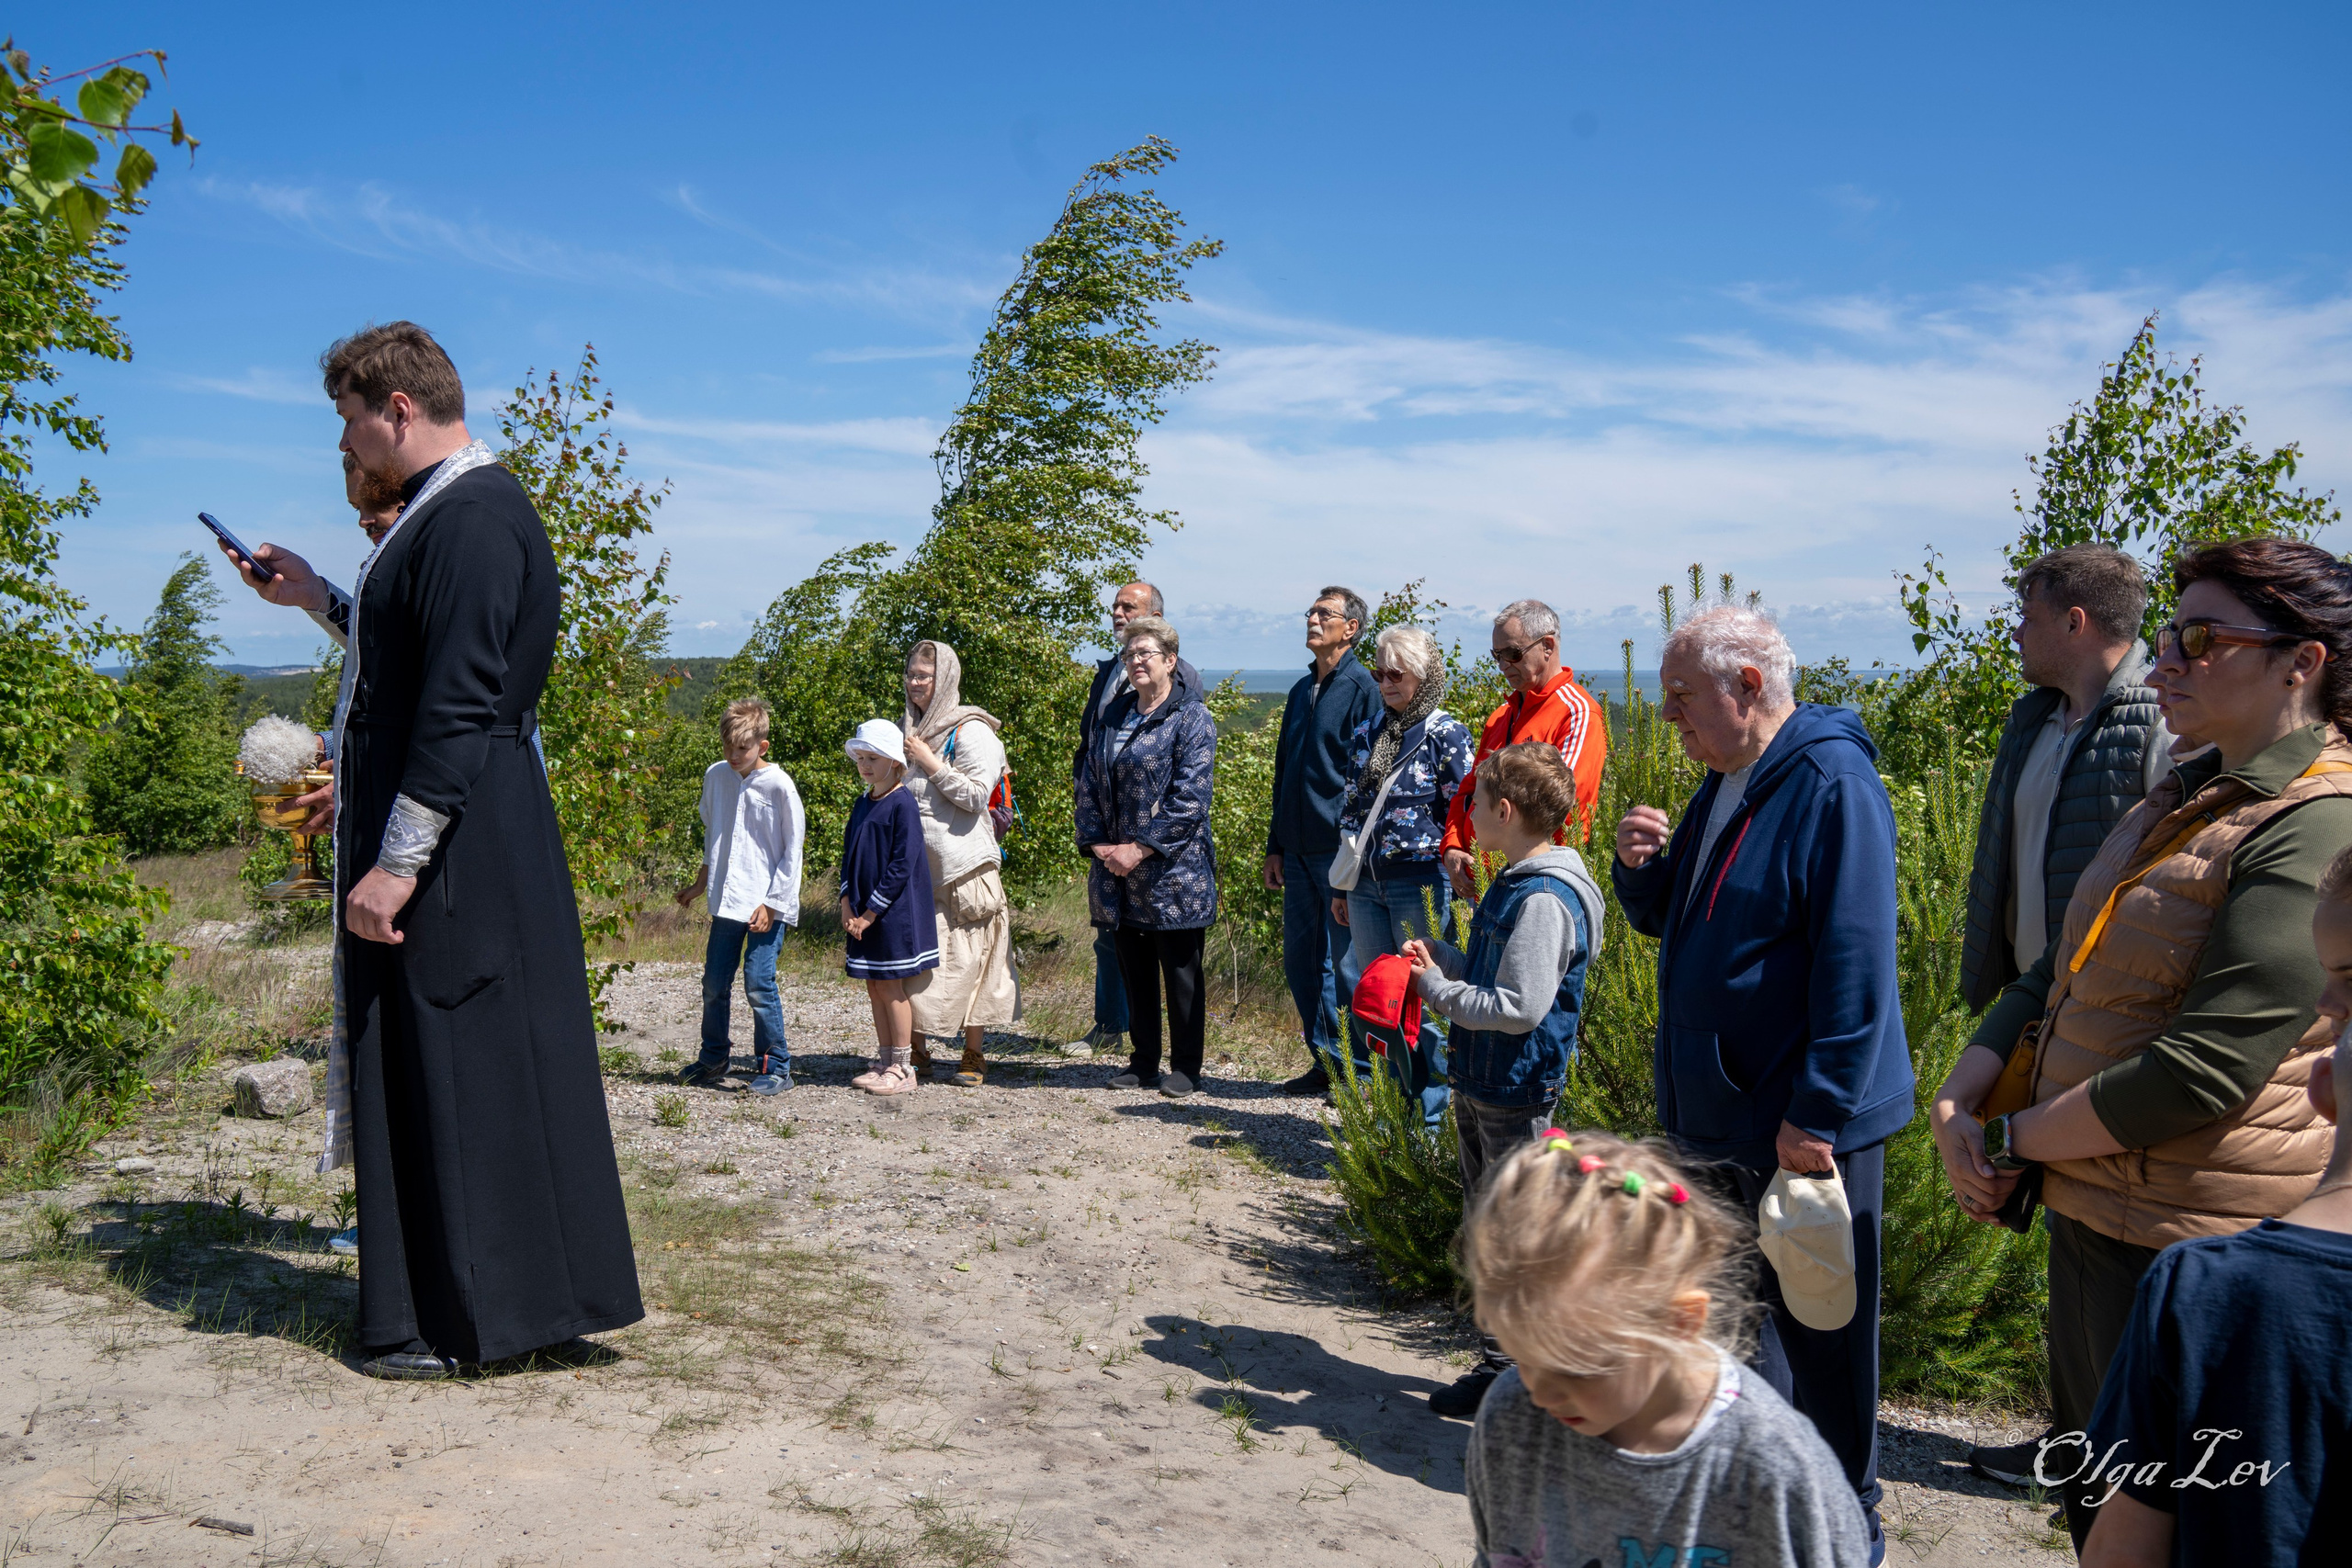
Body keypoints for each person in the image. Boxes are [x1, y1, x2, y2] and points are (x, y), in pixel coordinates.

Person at [220, 321, 641, 1379]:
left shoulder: (474, 518)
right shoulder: (443, 517)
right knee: (452, 1060)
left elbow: (458, 708)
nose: (350, 445)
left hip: (462, 838)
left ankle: (475, 1317)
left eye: (351, 421)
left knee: (472, 1060)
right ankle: (479, 1306)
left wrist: (395, 860)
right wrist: (315, 597)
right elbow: (405, 663)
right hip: (464, 821)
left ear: (398, 409)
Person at [1930, 537, 2352, 1552]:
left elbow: (2205, 1066)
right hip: (2101, 1220)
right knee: (2099, 1514)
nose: (2163, 659)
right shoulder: (2188, 791)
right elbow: (2056, 967)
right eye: (2167, 634)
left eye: (2200, 639)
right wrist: (1962, 1094)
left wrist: (2017, 1139)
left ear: (2302, 665)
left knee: (2173, 1532)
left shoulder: (2313, 822)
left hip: (2189, 1244)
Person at [1612, 604, 1912, 1559]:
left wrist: (1817, 1113)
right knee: (1746, 1328)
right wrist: (1637, 871)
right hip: (1722, 1113)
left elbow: (1856, 962)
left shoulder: (1830, 781)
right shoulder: (1729, 778)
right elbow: (1685, 922)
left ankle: (1846, 1525)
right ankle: (1770, 1511)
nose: (1670, 717)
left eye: (1681, 697)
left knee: (1821, 1335)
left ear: (1747, 685)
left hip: (1792, 1120)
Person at [2073, 843, 2352, 1566]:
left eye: (2347, 986)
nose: (2323, 1006)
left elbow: (2124, 1548)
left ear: (2323, 1089)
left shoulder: (2202, 1293)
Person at [1460, 1128, 1871, 1568]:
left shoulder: (1776, 1470)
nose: (1541, 1393)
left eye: (1577, 1366)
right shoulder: (1513, 1420)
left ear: (1680, 1323)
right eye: (1524, 1356)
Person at [1404, 742, 1604, 1418]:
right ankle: (1501, 1369)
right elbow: (1498, 979)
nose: (1469, 815)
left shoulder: (1545, 897)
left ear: (1507, 810)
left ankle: (1532, 1380)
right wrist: (1447, 957)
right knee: (1489, 1227)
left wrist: (1435, 989)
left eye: (1477, 804)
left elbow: (1519, 1008)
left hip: (1515, 1089)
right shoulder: (1518, 880)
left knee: (1514, 1236)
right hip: (1486, 1080)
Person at [1962, 544, 2169, 1017]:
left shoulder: (2163, 726)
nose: (2016, 634)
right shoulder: (2030, 724)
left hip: (2112, 1013)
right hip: (2030, 1003)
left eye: (2029, 618)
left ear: (2075, 623)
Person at [1330, 625, 1476, 1127]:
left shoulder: (1446, 733)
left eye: (1397, 673)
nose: (1386, 683)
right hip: (1367, 883)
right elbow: (1352, 808)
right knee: (1380, 1001)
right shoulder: (1369, 731)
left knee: (1426, 999)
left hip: (1420, 883)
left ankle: (1431, 1124)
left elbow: (1464, 810)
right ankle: (1397, 1116)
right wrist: (1342, 884)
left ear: (1423, 674)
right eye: (1379, 673)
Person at [1076, 615, 1219, 1099]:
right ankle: (1142, 1061)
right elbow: (1090, 782)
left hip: (1173, 873)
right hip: (1116, 871)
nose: (1135, 661)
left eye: (1145, 654)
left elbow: (1191, 799)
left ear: (1170, 661)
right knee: (1134, 969)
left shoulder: (1191, 717)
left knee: (1180, 974)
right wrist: (1099, 844)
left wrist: (1138, 849)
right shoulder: (1114, 715)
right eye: (1129, 654)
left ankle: (1185, 1067)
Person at [1267, 587, 1383, 1097]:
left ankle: (1359, 1073)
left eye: (1324, 613)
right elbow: (1283, 772)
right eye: (1311, 613)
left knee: (1345, 964)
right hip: (1295, 850)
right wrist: (1275, 844)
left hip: (1340, 852)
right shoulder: (1299, 691)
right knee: (1300, 960)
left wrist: (1354, 847)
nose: (1312, 619)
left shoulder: (1363, 688)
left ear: (1351, 628)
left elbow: (1369, 777)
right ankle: (1326, 1061)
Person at [900, 640, 1017, 1088]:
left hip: (965, 867)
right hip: (918, 869)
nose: (914, 683)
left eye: (924, 676)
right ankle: (917, 1048)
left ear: (945, 678)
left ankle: (973, 1053)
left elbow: (973, 797)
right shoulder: (908, 728)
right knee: (920, 959)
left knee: (974, 959)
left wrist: (929, 762)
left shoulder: (972, 732)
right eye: (910, 674)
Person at [673, 697, 803, 1096]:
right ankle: (713, 1058)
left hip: (766, 904)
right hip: (726, 902)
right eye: (728, 746)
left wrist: (773, 903)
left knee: (758, 983)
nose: (734, 755)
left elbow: (792, 850)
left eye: (742, 748)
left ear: (762, 746)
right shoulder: (716, 777)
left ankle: (776, 1068)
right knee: (714, 982)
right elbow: (717, 839)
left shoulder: (779, 785)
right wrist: (699, 885)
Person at [1439, 599, 1606, 903]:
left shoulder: (1577, 713)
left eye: (1513, 654)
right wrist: (1452, 846)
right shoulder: (1501, 716)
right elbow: (1468, 792)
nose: (1503, 666)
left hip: (1533, 886)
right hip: (1484, 885)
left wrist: (1506, 871)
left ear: (1547, 646)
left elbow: (1562, 809)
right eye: (1497, 655)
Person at [841, 719, 938, 1098]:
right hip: (861, 914)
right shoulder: (862, 803)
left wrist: (870, 913)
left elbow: (902, 865)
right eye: (860, 758)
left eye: (873, 758)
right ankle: (884, 1060)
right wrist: (847, 904)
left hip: (891, 916)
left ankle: (902, 1066)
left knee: (892, 987)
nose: (865, 765)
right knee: (873, 987)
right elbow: (848, 856)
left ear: (895, 762)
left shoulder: (903, 803)